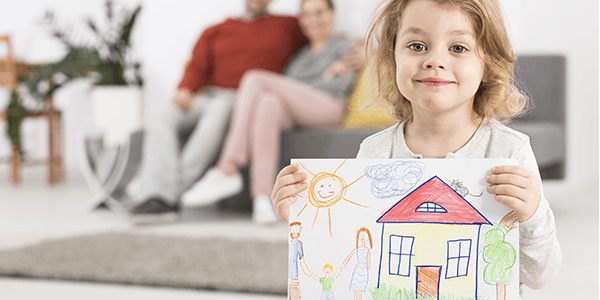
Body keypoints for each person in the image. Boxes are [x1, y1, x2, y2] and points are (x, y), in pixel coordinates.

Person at [271, 0, 561, 296]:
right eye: (417, 46)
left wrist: (533, 213)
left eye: (458, 48)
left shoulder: (509, 151)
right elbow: (347, 256)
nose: (434, 60)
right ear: (393, 57)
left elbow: (539, 276)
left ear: (486, 64)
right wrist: (302, 219)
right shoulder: (375, 152)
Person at [179, 0, 361, 224]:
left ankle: (227, 168)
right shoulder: (300, 57)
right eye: (306, 15)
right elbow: (290, 95)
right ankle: (263, 199)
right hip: (299, 112)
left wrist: (366, 54)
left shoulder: (346, 44)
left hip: (329, 108)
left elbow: (377, 54)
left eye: (319, 13)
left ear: (332, 14)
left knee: (254, 78)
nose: (313, 20)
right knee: (267, 104)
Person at [129, 0, 309, 224]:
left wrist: (349, 46)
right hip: (208, 95)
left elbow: (318, 30)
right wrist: (185, 89)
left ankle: (162, 196)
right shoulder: (216, 30)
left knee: (218, 110)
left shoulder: (287, 26)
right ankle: (158, 191)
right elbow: (197, 66)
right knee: (161, 114)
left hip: (242, 99)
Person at [341, 227, 372, 300]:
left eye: (364, 235)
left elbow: (369, 264)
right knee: (356, 288)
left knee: (360, 289)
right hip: (358, 270)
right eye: (361, 235)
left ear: (368, 236)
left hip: (363, 271)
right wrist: (343, 265)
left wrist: (366, 268)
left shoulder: (368, 250)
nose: (362, 237)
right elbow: (349, 257)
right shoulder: (357, 248)